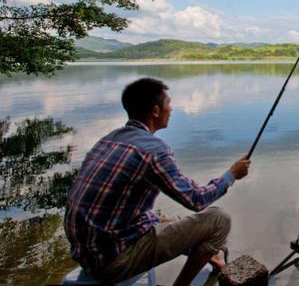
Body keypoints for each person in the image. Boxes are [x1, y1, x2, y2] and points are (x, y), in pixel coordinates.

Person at [64, 77, 251, 286]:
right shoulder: (153, 150)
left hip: (87, 254)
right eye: (168, 104)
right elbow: (196, 200)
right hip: (113, 262)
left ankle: (213, 256)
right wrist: (231, 175)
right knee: (219, 219)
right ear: (155, 110)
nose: (171, 109)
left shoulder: (109, 139)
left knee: (164, 218)